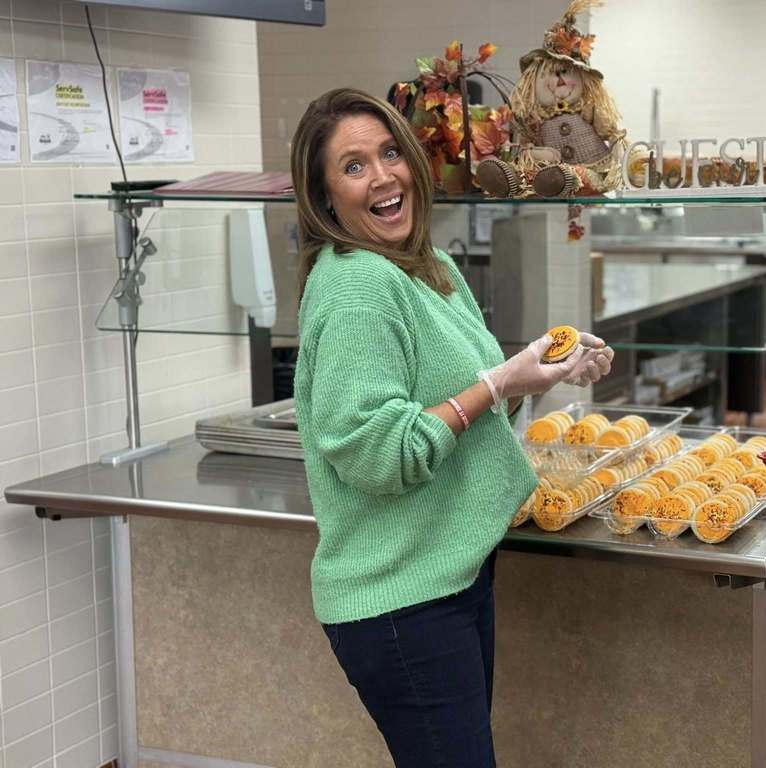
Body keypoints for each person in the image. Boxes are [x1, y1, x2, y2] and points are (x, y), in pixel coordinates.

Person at [289, 87, 614, 767]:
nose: (382, 176)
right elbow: (379, 454)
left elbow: (469, 402)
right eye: (353, 167)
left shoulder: (422, 268)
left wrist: (539, 371)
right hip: (399, 605)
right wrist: (498, 382)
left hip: (449, 577)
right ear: (324, 201)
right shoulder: (355, 286)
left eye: (387, 153)